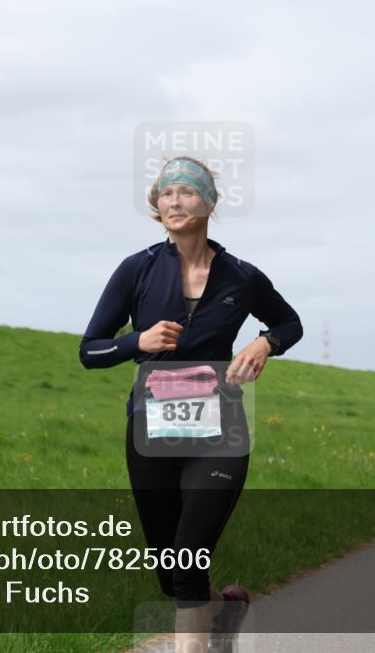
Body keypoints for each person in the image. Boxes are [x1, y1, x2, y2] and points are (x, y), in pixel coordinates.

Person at [79, 156, 302, 652]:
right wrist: (138, 341)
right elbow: (89, 349)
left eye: (186, 192)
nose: (175, 202)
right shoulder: (137, 270)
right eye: (166, 194)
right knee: (171, 573)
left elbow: (290, 324)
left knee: (187, 563)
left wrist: (264, 344)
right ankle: (224, 613)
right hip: (151, 432)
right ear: (156, 207)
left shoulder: (241, 277)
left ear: (210, 202)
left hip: (220, 432)